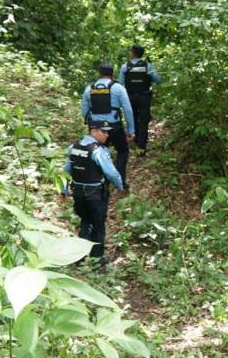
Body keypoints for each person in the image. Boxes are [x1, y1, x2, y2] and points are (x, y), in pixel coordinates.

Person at [62, 120, 126, 265]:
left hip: (78, 192)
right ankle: (97, 259)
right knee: (98, 225)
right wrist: (120, 186)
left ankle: (80, 257)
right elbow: (111, 173)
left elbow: (67, 170)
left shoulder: (74, 147)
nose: (107, 135)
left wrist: (64, 189)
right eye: (103, 132)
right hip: (95, 193)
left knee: (86, 222)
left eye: (107, 132)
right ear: (93, 131)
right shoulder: (98, 150)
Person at [81, 63, 135, 188]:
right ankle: (120, 181)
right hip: (114, 127)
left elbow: (85, 111)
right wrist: (131, 130)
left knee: (97, 153)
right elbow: (128, 109)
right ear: (112, 74)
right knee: (122, 151)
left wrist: (92, 125)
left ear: (99, 74)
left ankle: (99, 182)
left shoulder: (89, 88)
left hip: (96, 129)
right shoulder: (118, 88)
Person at [118, 45, 161, 152]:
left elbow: (121, 84)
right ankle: (142, 146)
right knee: (144, 120)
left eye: (130, 51)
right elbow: (158, 80)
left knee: (133, 119)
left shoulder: (125, 66)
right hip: (144, 97)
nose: (129, 53)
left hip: (130, 97)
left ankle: (136, 140)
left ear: (133, 53)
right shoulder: (148, 66)